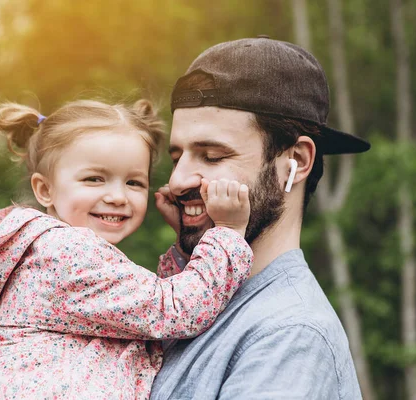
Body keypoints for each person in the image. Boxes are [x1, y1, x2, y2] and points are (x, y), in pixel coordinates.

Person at [0, 98, 254, 399]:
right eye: (94, 179)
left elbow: (145, 311)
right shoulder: (66, 254)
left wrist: (183, 251)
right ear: (45, 189)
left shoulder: (51, 249)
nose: (118, 196)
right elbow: (174, 311)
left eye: (134, 183)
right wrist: (227, 233)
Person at [150, 37, 371, 399]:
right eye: (178, 157)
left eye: (211, 156)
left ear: (296, 161)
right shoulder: (193, 305)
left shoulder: (289, 335)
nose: (176, 181)